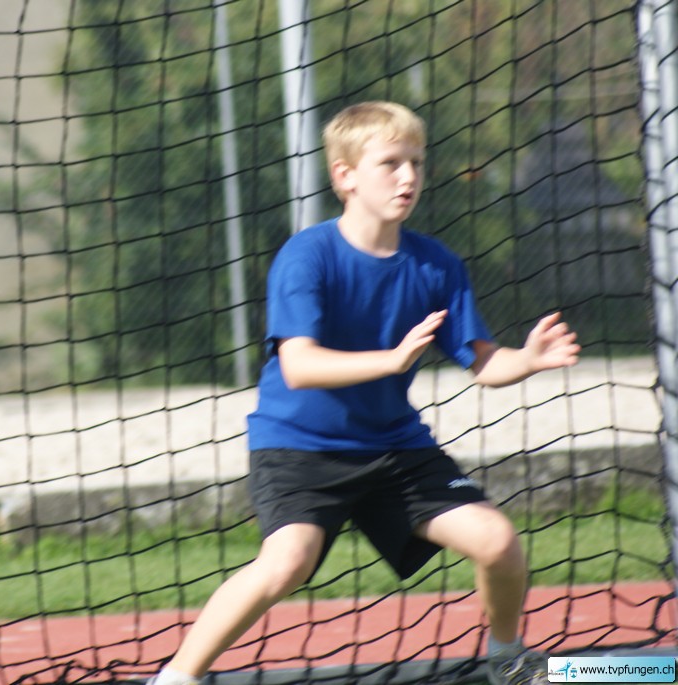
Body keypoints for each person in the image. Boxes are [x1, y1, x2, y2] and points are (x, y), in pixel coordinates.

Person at [146, 101, 580, 685]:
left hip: (395, 449)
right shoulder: (308, 255)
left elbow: (482, 362)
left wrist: (525, 360)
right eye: (390, 163)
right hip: (300, 449)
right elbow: (299, 366)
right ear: (345, 175)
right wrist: (392, 360)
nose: (408, 177)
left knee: (498, 541)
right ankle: (178, 676)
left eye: (416, 163)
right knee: (287, 563)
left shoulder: (436, 264)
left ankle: (509, 660)